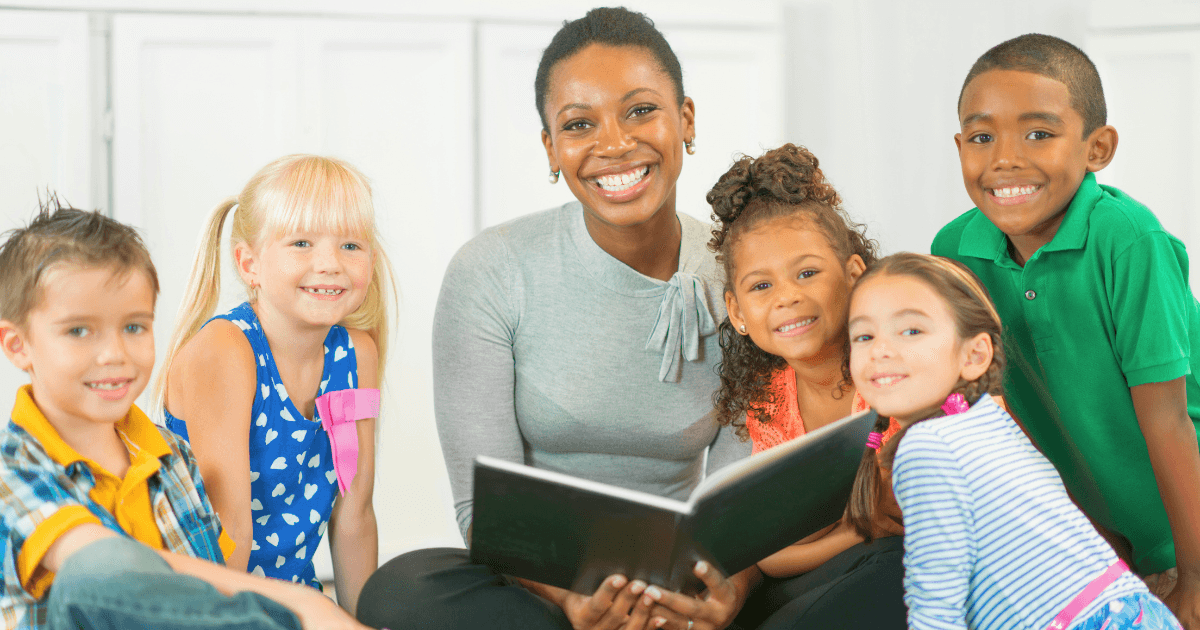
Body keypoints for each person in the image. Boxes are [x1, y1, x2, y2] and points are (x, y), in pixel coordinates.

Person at [355, 7, 756, 630]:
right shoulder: (492, 269)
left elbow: (736, 503)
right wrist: (571, 603)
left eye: (641, 110)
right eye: (579, 124)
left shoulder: (744, 278)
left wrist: (723, 590)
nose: (614, 144)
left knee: (861, 575)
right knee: (400, 591)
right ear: (551, 149)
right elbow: (483, 509)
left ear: (687, 120)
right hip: (537, 582)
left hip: (682, 578)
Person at [931, 33, 1200, 627]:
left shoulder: (1130, 241)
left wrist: (1197, 579)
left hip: (1188, 525)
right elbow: (1002, 409)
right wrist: (1088, 533)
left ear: (1097, 148)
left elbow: (1168, 418)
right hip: (1094, 536)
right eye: (981, 137)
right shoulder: (953, 250)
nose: (1004, 158)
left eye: (1039, 134)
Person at [0, 200, 367, 630]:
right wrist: (308, 606)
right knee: (98, 568)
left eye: (134, 327)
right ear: (17, 345)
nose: (114, 354)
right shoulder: (13, 472)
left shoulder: (171, 454)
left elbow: (209, 595)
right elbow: (111, 571)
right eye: (79, 331)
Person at [846, 252, 1181, 630]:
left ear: (975, 354)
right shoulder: (985, 418)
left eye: (911, 331)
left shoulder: (926, 448)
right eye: (864, 336)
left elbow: (936, 604)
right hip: (1133, 610)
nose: (881, 350)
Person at [156, 155, 394, 615]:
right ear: (250, 264)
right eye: (301, 243)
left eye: (350, 245)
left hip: (291, 603)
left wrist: (363, 624)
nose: (329, 264)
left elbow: (355, 517)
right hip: (205, 603)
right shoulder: (227, 350)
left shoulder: (356, 354)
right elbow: (231, 535)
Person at [705, 143, 906, 629]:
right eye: (761, 286)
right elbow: (772, 554)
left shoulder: (897, 375)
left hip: (904, 568)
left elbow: (909, 517)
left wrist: (843, 532)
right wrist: (858, 529)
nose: (788, 297)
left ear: (856, 275)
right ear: (737, 313)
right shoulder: (770, 400)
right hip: (822, 574)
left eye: (808, 273)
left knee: (894, 564)